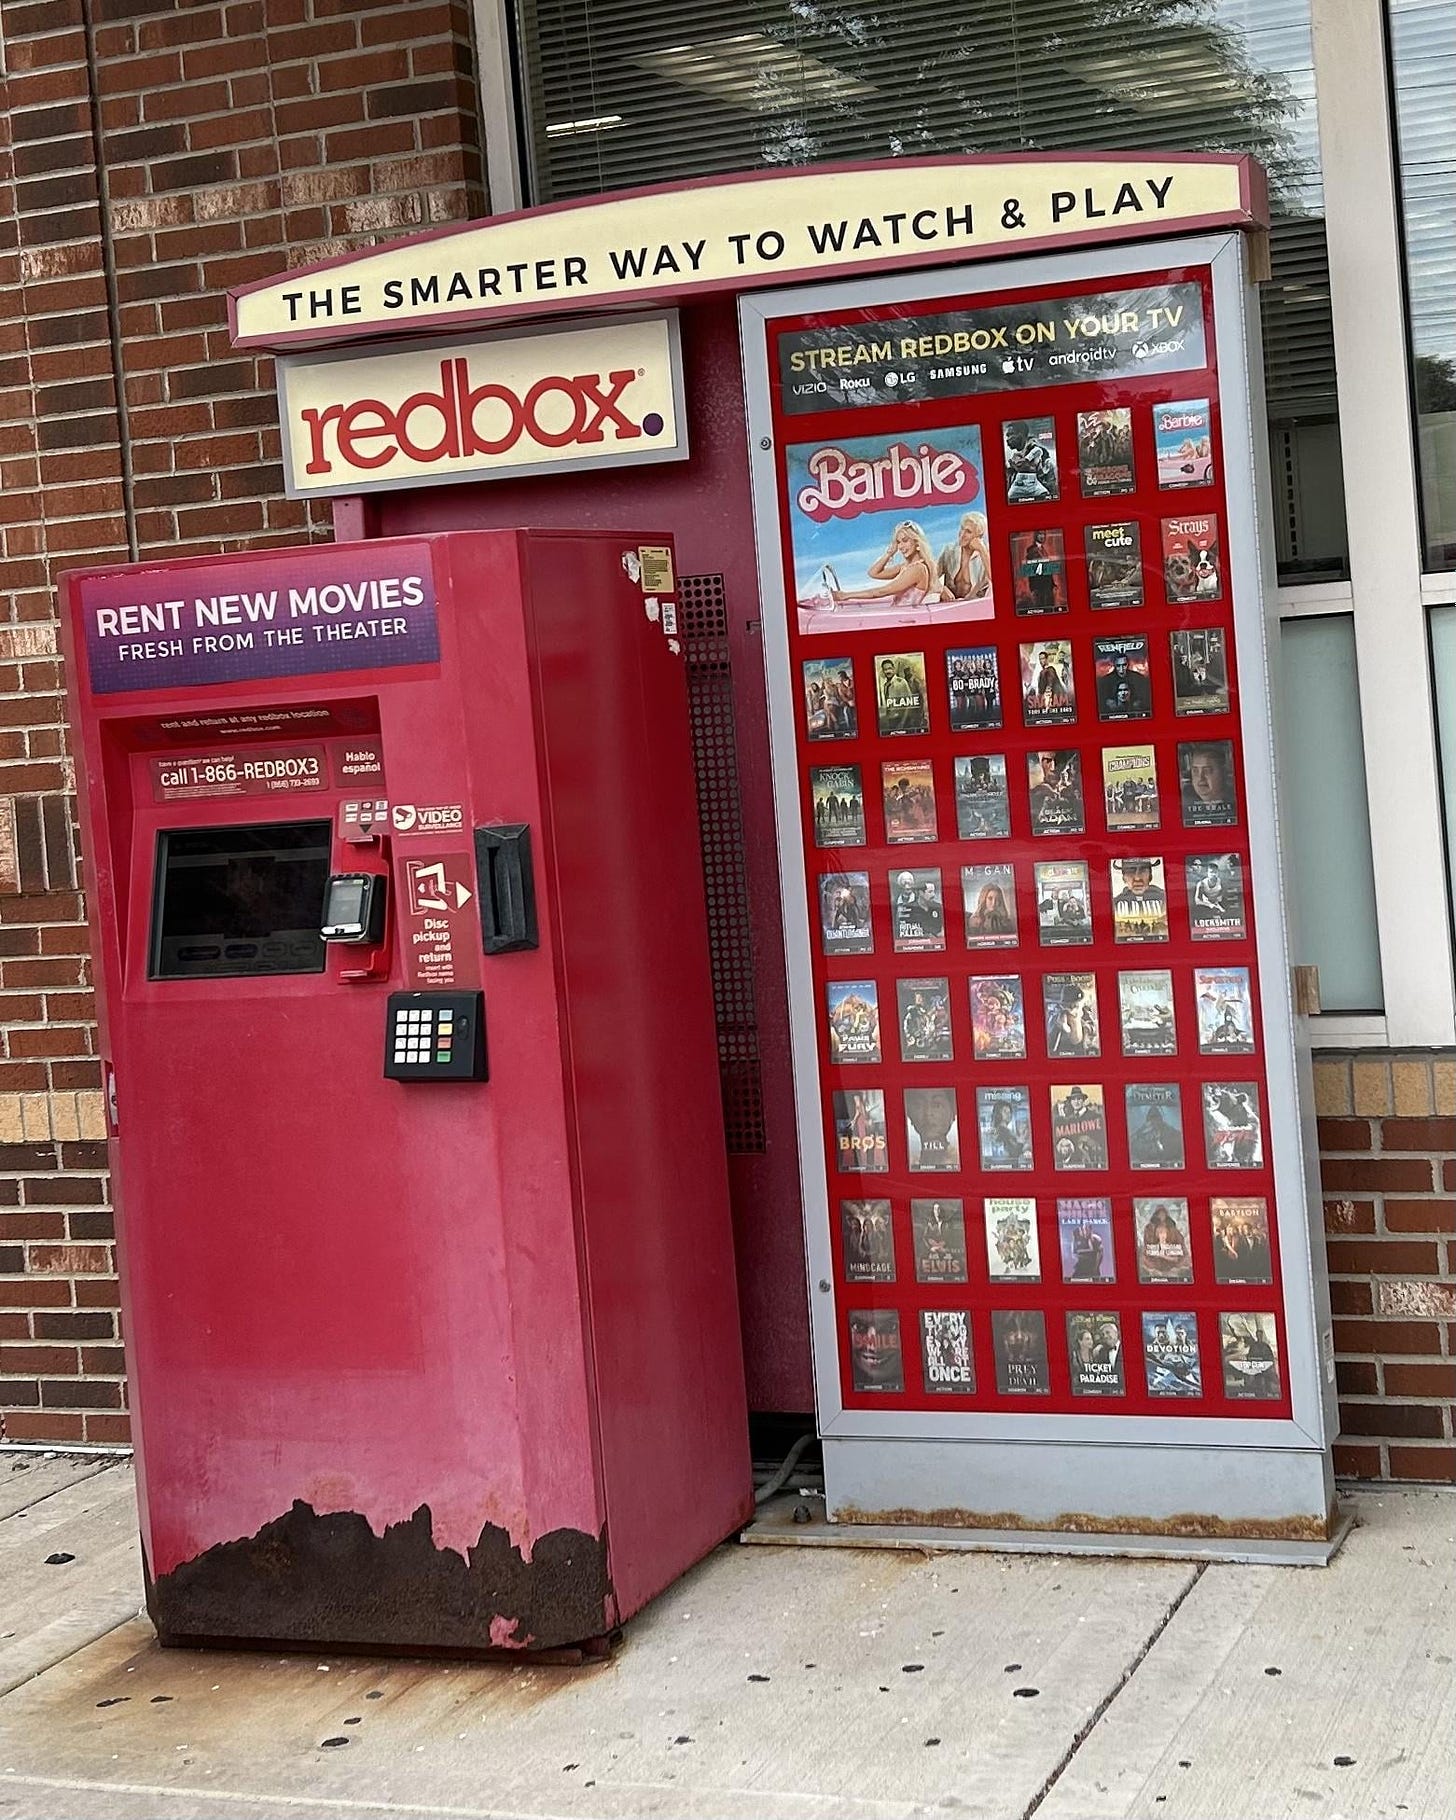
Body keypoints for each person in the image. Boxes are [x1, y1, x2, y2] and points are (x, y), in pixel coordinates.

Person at [830, 521, 942, 609]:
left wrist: (845, 595)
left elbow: (881, 592)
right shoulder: (906, 566)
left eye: (905, 540)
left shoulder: (917, 569)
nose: (901, 546)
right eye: (898, 542)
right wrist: (889, 554)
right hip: (899, 615)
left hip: (905, 620)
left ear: (917, 543)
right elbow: (873, 573)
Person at [937, 511, 992, 599]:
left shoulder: (985, 554)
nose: (962, 535)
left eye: (968, 532)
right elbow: (931, 577)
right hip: (948, 605)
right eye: (962, 528)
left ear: (979, 536)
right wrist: (941, 589)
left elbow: (997, 582)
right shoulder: (949, 550)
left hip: (974, 606)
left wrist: (982, 550)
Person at [1003, 421, 1057, 503]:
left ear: (1020, 434)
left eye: (1011, 434)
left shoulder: (1040, 453)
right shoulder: (1011, 455)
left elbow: (1051, 486)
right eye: (1007, 436)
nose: (1007, 439)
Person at [1181, 742, 1234, 821]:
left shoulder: (1236, 804)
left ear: (1223, 773)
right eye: (1195, 771)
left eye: (1207, 771)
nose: (1200, 778)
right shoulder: (1183, 801)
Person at [1096, 650, 1151, 718]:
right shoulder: (1105, 681)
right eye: (1118, 666)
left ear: (1127, 664)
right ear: (1114, 665)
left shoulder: (1138, 678)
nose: (1121, 669)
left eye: (1124, 665)